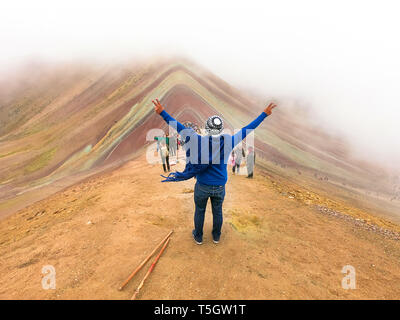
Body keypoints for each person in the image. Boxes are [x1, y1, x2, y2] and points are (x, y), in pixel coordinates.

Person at [152, 98, 277, 245]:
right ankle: (216, 236)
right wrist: (264, 114)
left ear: (207, 128)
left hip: (202, 185)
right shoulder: (229, 141)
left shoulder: (196, 140)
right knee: (217, 212)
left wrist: (162, 113)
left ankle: (198, 236)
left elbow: (178, 126)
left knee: (200, 211)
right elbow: (247, 129)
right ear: (220, 129)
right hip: (219, 186)